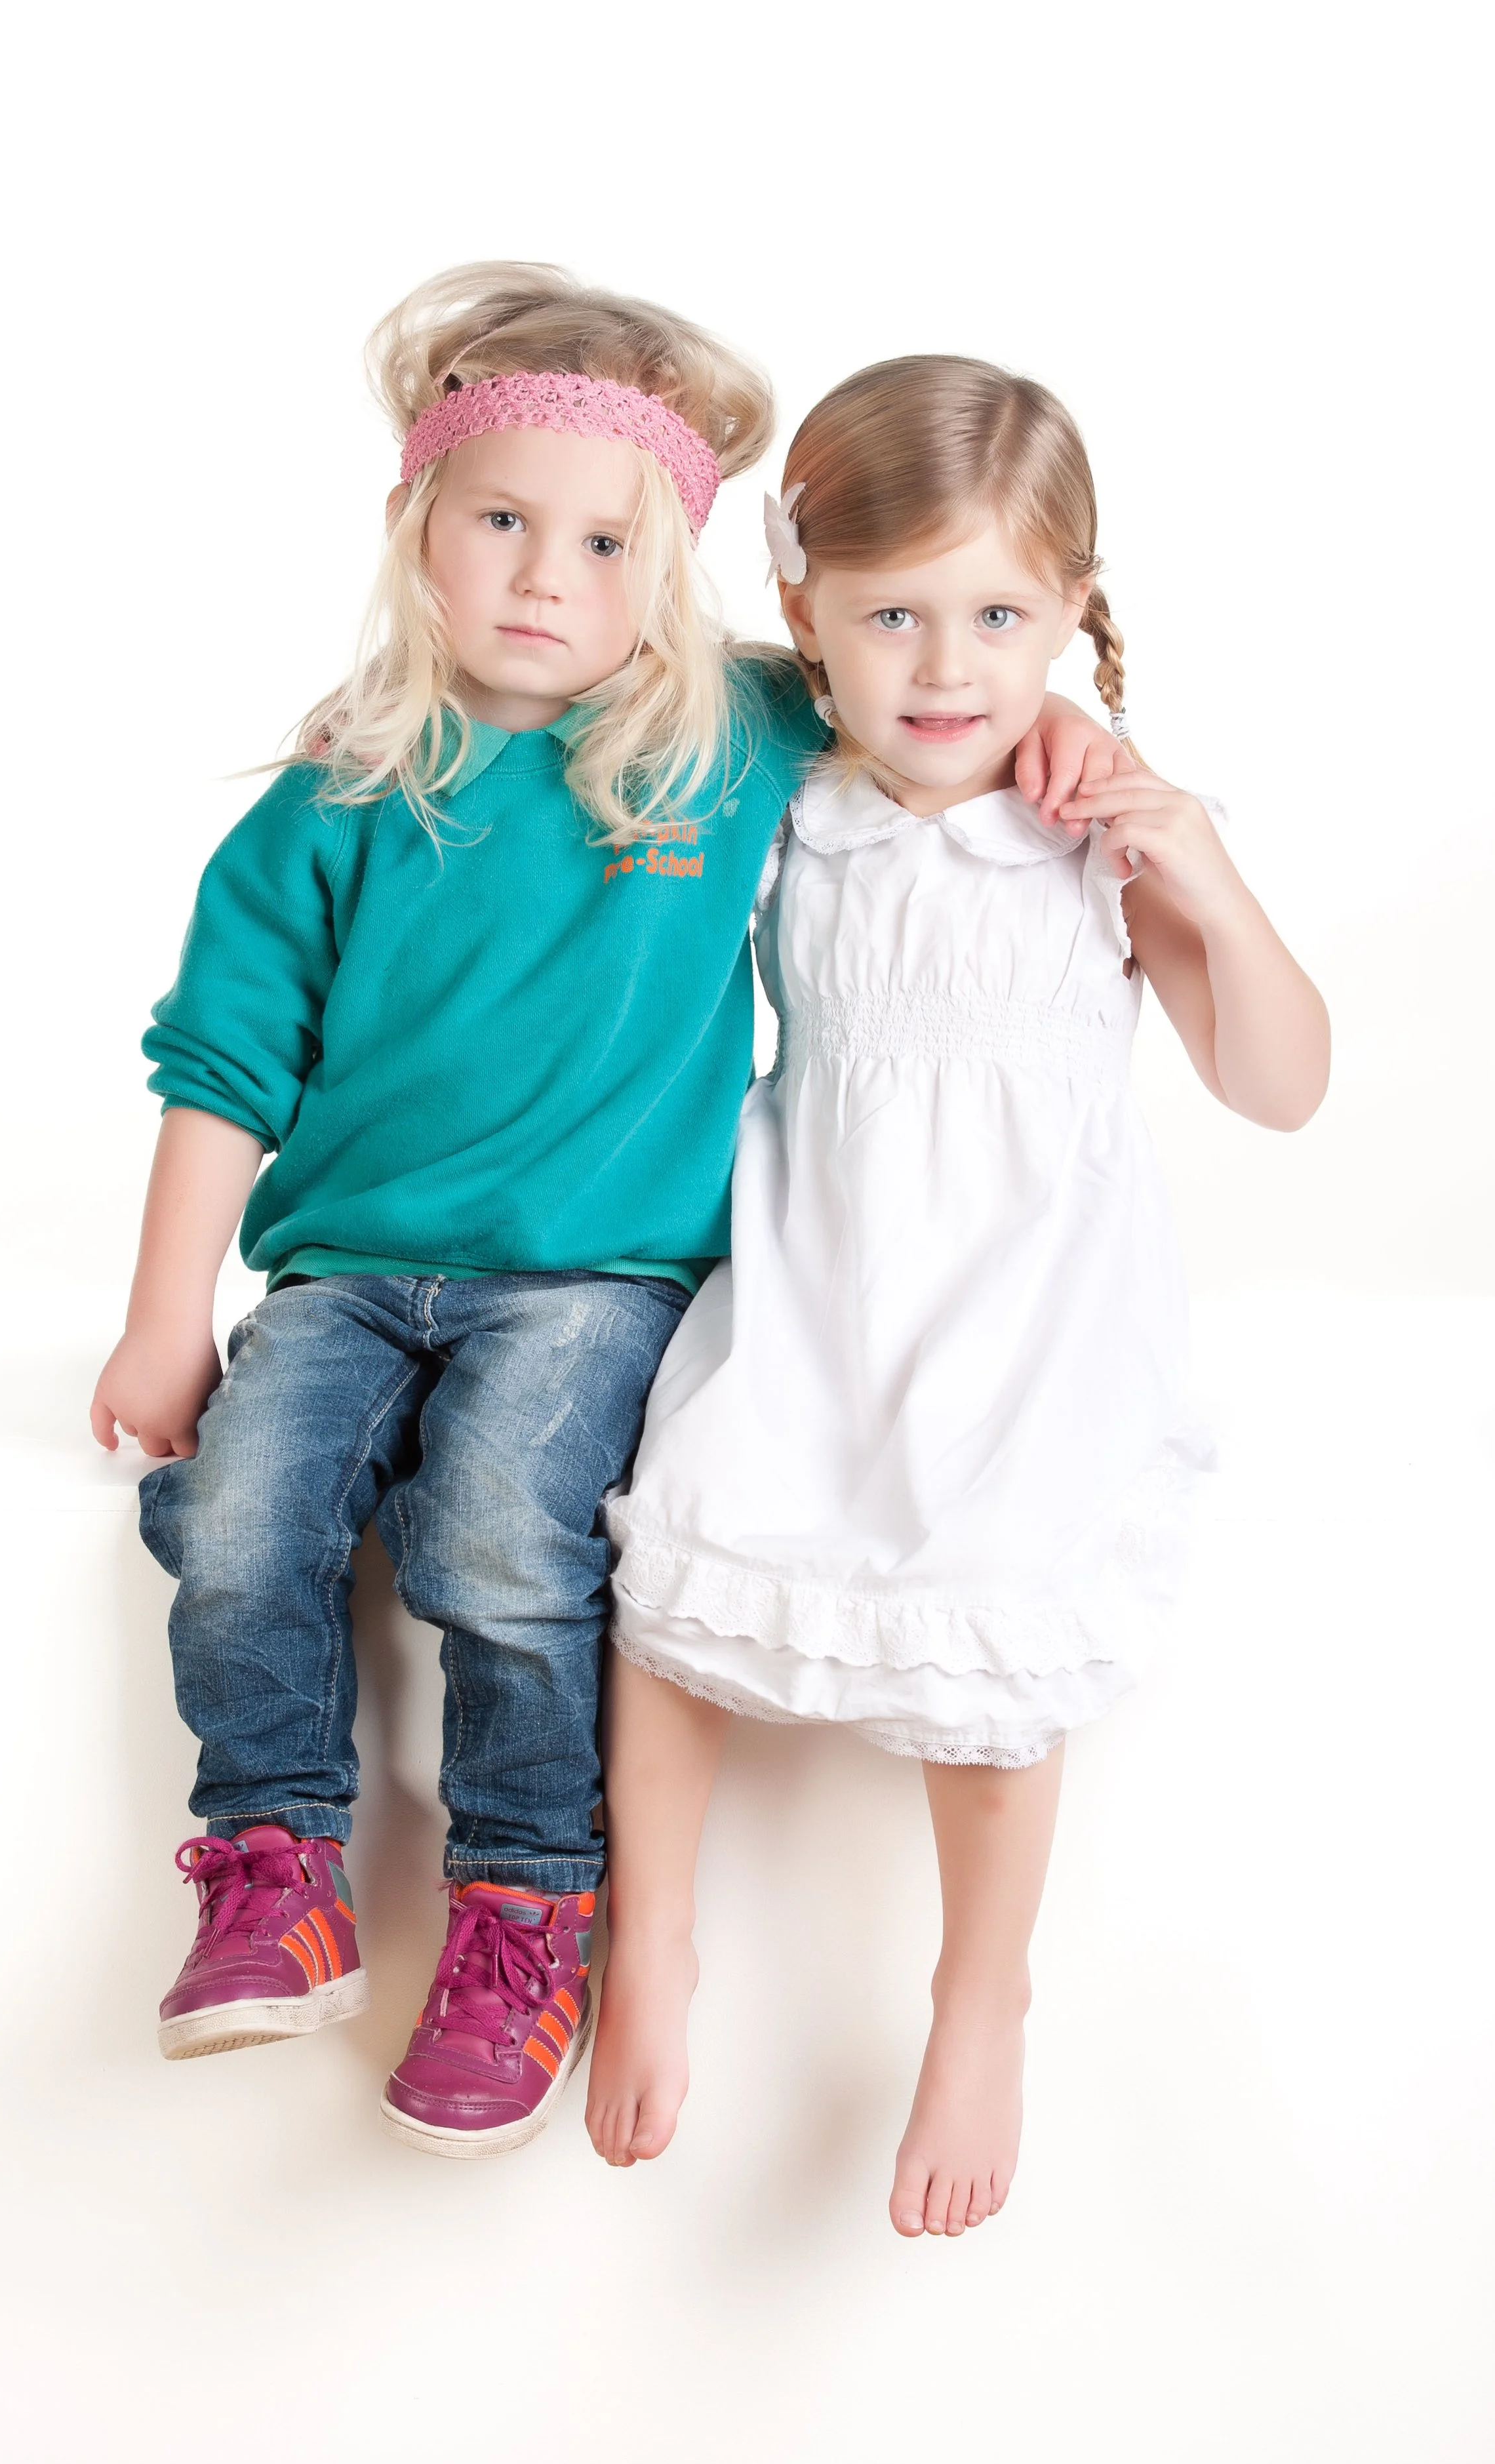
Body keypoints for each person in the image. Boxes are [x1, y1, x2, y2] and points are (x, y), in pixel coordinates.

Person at [89, 276, 1121, 2157]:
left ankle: (524, 1900)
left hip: (595, 1281)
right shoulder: (341, 785)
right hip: (346, 1271)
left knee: (497, 1530)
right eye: (499, 520)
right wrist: (170, 1318)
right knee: (237, 1512)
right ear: (418, 528)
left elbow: (938, 658)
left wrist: (1069, 731)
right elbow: (221, 1054)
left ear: (682, 567)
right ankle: (271, 1857)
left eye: (602, 538)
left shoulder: (727, 731)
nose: (543, 576)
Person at [586, 353, 1330, 2229]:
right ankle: (651, 1935)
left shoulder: (1099, 825)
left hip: (1025, 1301)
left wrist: (1214, 883)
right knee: (674, 1552)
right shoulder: (783, 801)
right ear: (802, 615)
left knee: (995, 1619)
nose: (944, 666)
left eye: (999, 614)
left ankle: (979, 1993)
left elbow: (1281, 1084)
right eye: (890, 614)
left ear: (1072, 612)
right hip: (822, 1267)